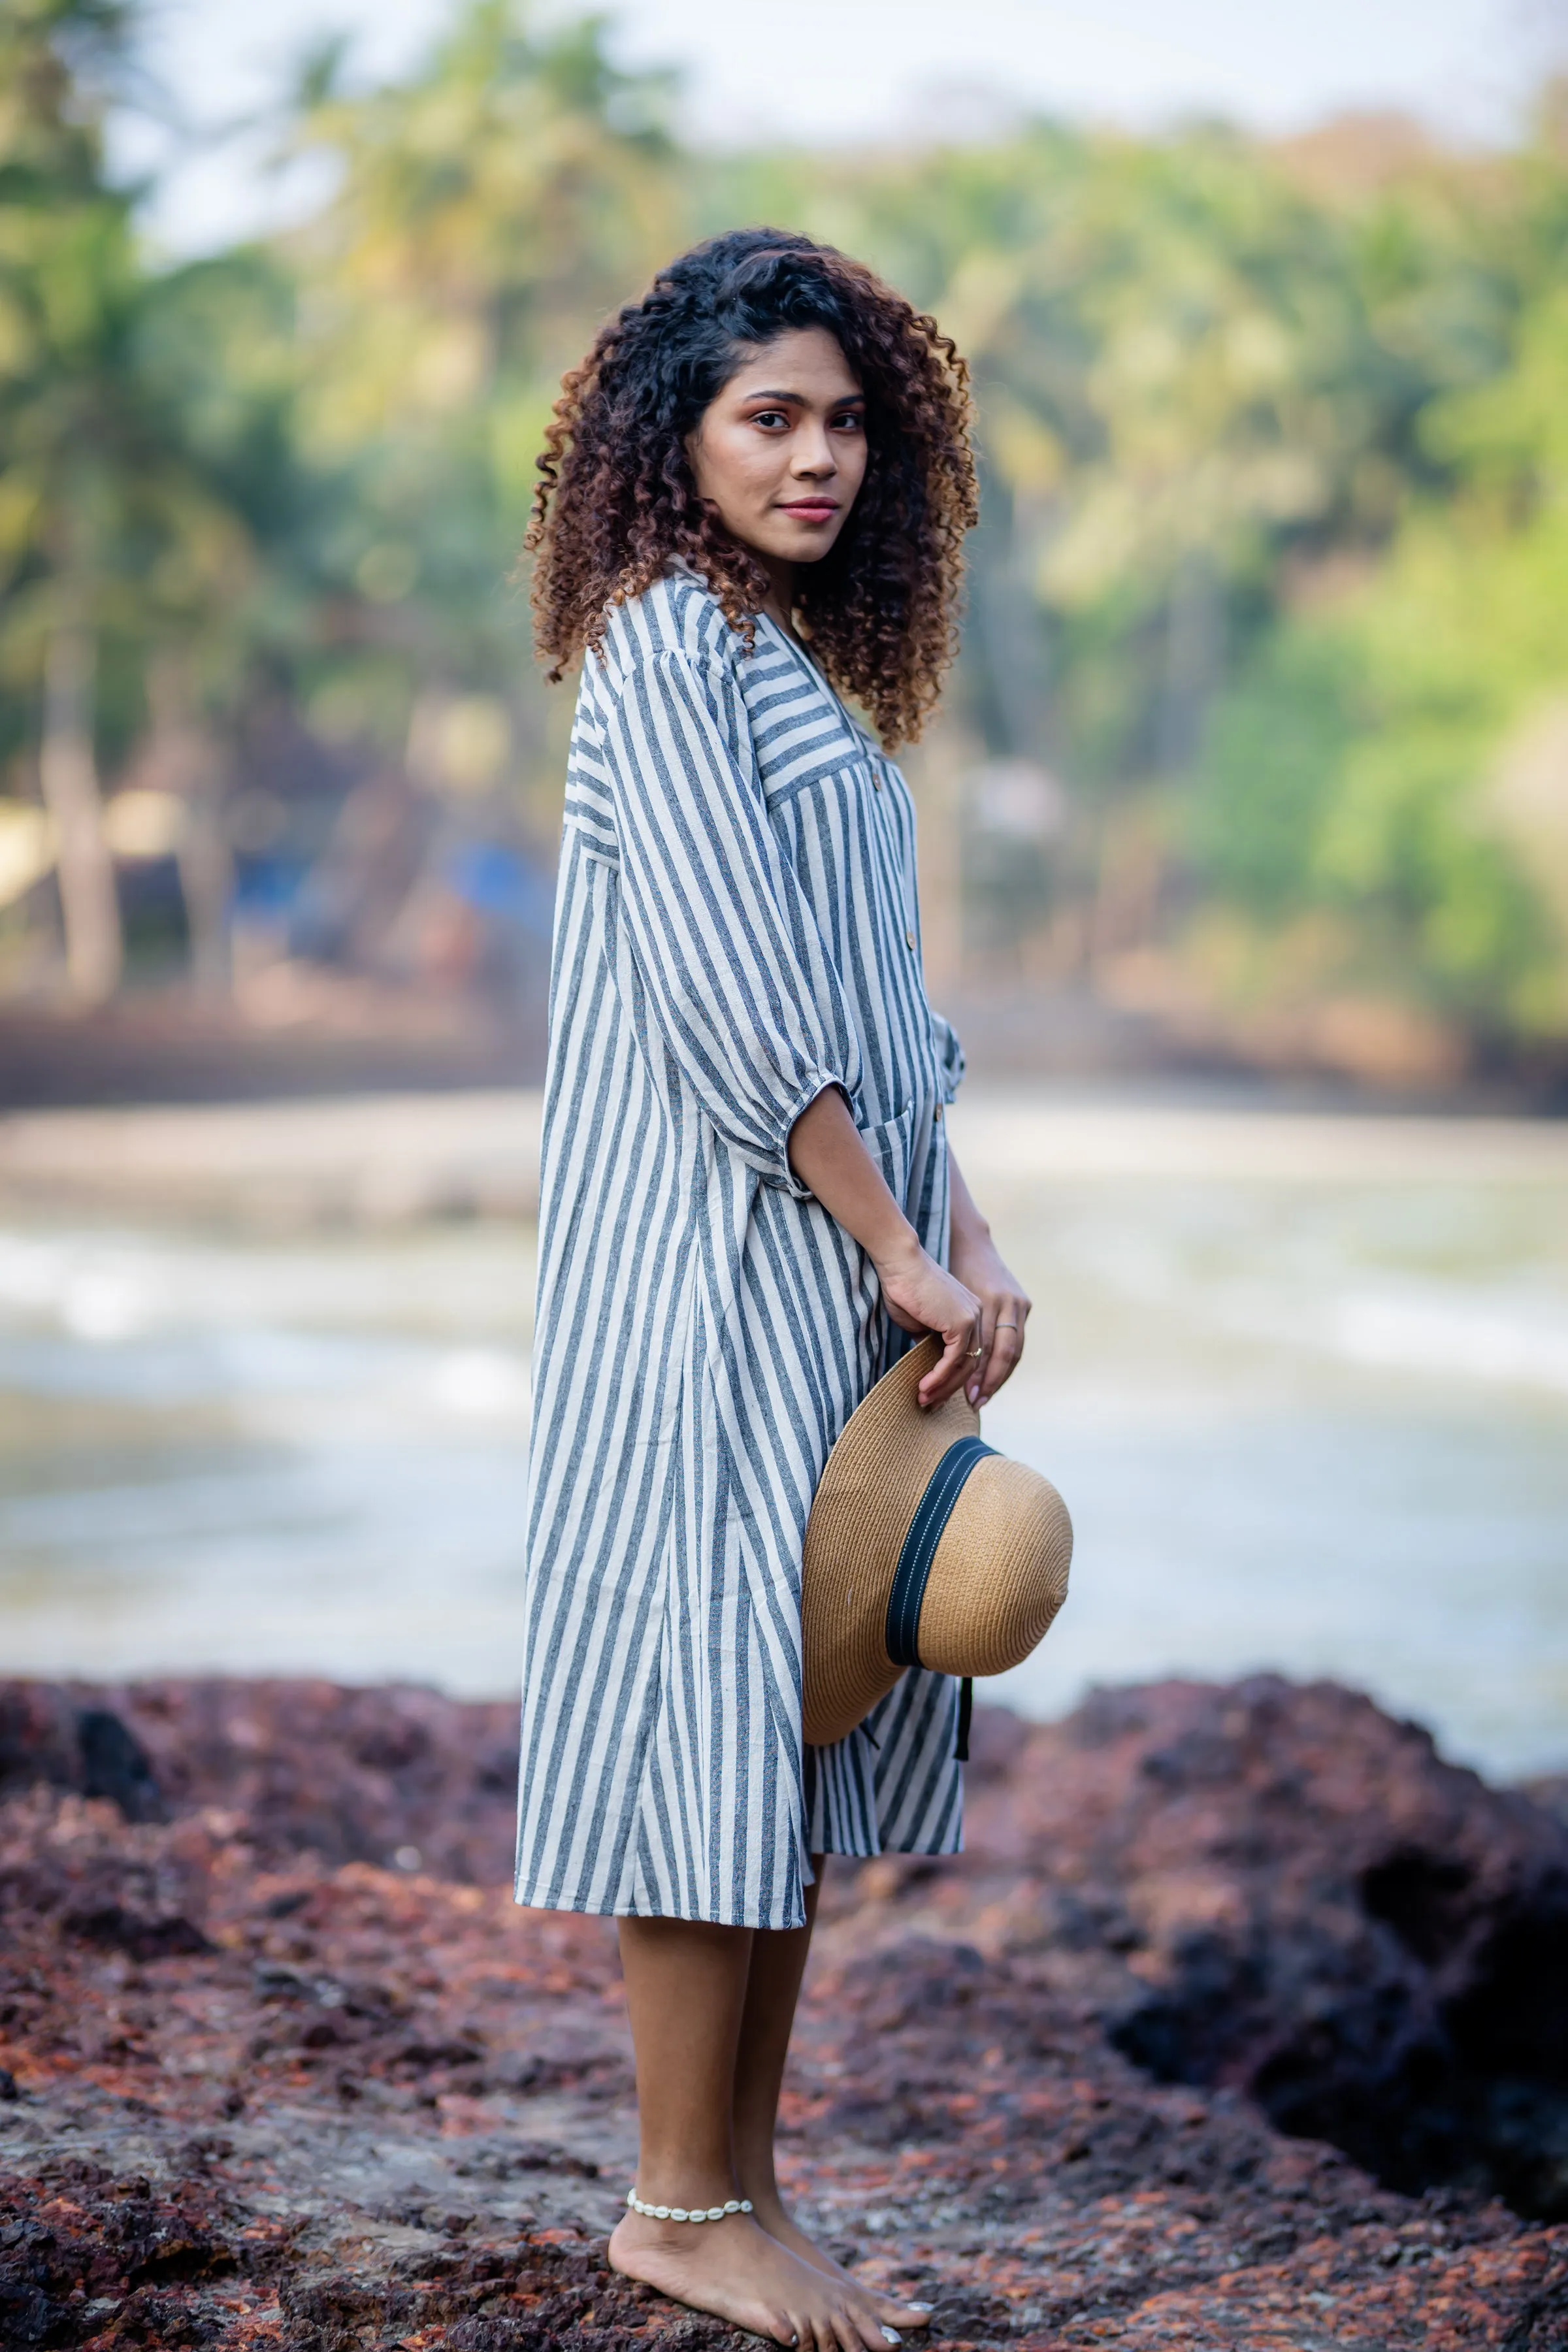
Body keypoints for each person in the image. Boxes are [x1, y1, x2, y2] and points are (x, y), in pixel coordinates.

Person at [515, 228, 1032, 2352]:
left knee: (798, 1733)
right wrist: (895, 1239)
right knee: (704, 1726)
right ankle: (673, 2201)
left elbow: (878, 1014)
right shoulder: (659, 647)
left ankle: (746, 2175)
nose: (819, 455)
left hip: (831, 1276)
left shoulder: (787, 664)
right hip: (710, 1283)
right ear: (680, 438)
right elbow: (743, 1009)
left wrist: (963, 1226)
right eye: (771, 418)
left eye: (843, 422)